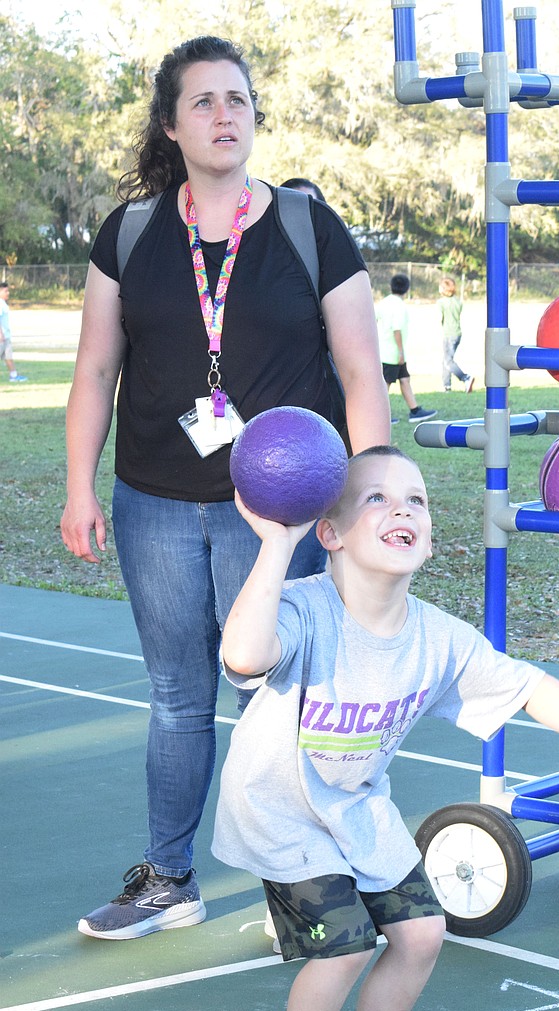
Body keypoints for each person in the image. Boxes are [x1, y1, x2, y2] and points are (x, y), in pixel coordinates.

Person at [60, 35, 389, 941]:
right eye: (202, 101)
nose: (222, 115)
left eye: (237, 99)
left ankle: (305, 878)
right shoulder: (128, 234)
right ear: (171, 124)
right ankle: (169, 878)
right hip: (155, 503)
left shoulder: (307, 227)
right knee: (175, 696)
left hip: (279, 517)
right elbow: (94, 374)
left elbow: (360, 375)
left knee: (276, 693)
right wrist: (78, 488)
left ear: (254, 117)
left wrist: (371, 496)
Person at [212, 444, 559, 1011]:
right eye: (376, 498)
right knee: (343, 947)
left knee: (424, 932)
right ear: (327, 532)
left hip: (356, 805)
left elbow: (522, 684)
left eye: (417, 500)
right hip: (279, 808)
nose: (402, 508)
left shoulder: (437, 636)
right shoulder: (304, 609)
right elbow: (243, 655)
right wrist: (276, 543)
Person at [374, 274, 436, 425]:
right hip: (392, 353)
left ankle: (415, 411)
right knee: (385, 385)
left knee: (404, 379)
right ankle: (380, 416)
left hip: (384, 350)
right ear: (407, 289)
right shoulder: (400, 306)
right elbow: (397, 330)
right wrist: (400, 352)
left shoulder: (384, 302)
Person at [437, 275, 474, 392]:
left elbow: (439, 318)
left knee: (448, 361)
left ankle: (465, 377)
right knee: (446, 359)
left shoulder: (441, 302)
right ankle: (447, 386)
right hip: (457, 333)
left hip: (448, 334)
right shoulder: (458, 302)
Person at [0, 281, 27, 383]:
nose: (8, 293)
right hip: (2, 337)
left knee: (8, 357)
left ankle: (13, 376)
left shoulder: (3, 303)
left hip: (6, 336)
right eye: (5, 291)